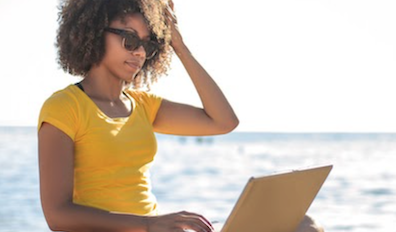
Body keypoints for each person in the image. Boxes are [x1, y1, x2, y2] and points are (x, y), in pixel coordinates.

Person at [37, 0, 322, 231]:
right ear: (95, 32)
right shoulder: (64, 107)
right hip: (143, 228)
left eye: (148, 45)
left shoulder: (143, 106)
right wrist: (149, 225)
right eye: (129, 39)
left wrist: (180, 47)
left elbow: (223, 121)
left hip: (156, 228)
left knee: (304, 225)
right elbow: (57, 216)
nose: (139, 53)